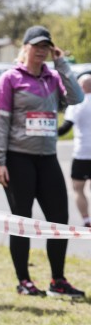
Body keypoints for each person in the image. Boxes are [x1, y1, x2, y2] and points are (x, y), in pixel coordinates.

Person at [0, 25, 85, 298]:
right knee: (22, 220)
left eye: (46, 46)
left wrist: (62, 62)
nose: (42, 51)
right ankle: (24, 281)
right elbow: (0, 121)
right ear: (26, 47)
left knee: (59, 220)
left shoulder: (53, 77)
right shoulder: (11, 78)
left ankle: (58, 281)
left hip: (47, 159)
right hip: (18, 158)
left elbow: (77, 98)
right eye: (37, 46)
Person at [63, 73, 91, 229]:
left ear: (81, 87)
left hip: (82, 153)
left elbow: (65, 127)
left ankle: (87, 221)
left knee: (78, 189)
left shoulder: (77, 104)